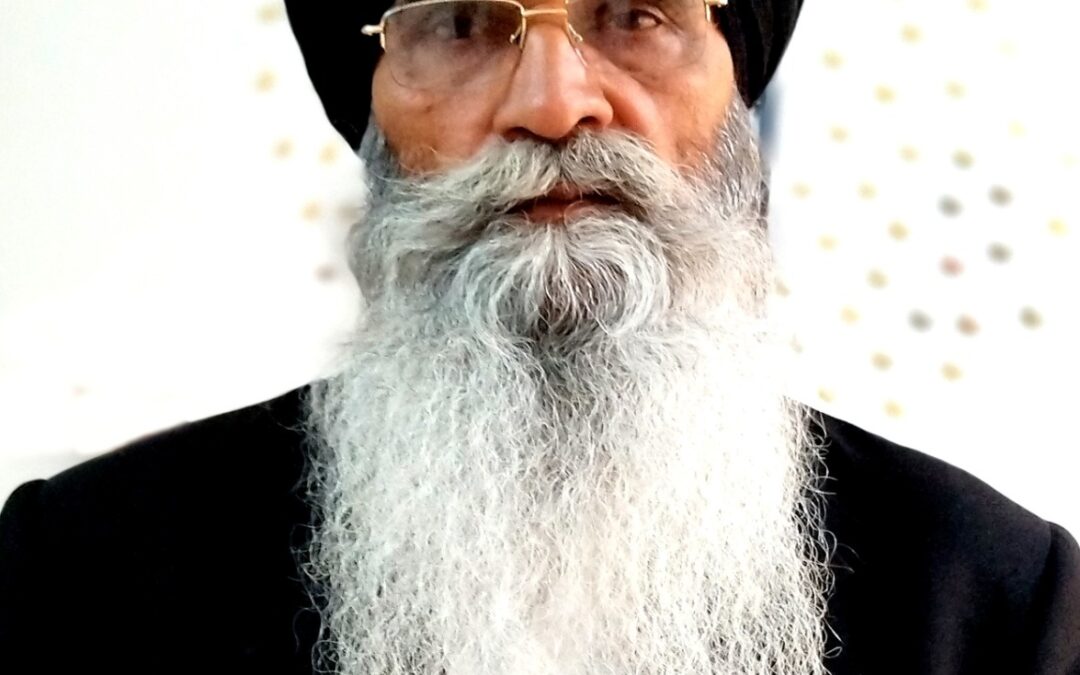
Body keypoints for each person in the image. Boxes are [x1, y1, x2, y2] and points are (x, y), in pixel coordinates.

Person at [2, 1, 1078, 673]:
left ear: (736, 96)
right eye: (462, 25)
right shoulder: (82, 578)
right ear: (374, 115)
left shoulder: (992, 601)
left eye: (635, 16)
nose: (556, 106)